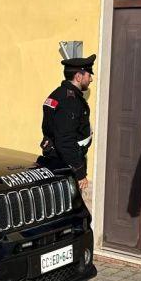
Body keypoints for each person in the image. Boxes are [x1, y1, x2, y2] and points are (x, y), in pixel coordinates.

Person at [39, 54, 96, 192]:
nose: (91, 79)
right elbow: (65, 140)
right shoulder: (70, 101)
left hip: (60, 160)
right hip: (66, 164)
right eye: (89, 75)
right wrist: (79, 172)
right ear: (78, 76)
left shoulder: (58, 94)